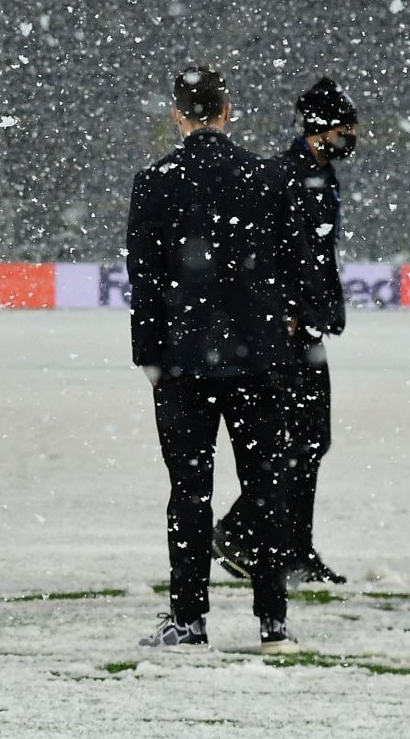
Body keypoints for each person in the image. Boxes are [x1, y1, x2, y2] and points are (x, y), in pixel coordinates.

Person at [126, 65, 300, 654]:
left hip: (184, 361)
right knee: (266, 486)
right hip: (256, 360)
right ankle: (273, 618)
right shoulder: (265, 177)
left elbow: (145, 281)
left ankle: (189, 616)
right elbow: (290, 267)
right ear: (228, 109)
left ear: (178, 114)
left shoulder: (156, 182)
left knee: (189, 490)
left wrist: (148, 356)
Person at [213, 77, 358, 586]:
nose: (352, 137)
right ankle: (239, 530)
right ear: (320, 129)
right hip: (286, 334)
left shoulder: (319, 177)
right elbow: (265, 255)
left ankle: (294, 547)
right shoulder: (283, 177)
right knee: (299, 441)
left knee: (311, 440)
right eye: (345, 128)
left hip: (307, 328)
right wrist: (283, 311)